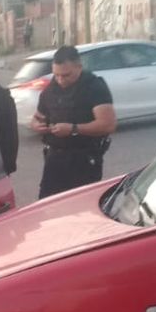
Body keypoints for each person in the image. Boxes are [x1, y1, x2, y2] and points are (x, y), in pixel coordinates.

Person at [31, 46, 117, 199]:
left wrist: (73, 129)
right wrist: (37, 125)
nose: (61, 80)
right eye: (56, 75)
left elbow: (108, 124)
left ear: (79, 67)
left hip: (83, 159)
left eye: (66, 75)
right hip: (54, 159)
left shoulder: (94, 86)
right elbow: (38, 116)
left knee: (80, 208)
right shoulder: (51, 88)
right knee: (48, 208)